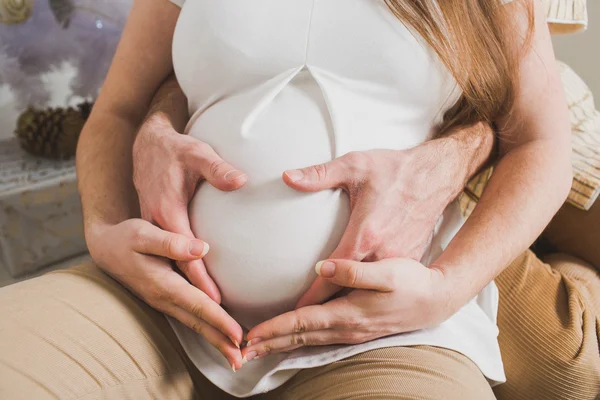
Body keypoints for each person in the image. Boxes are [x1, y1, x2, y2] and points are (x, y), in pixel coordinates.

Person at [0, 0, 598, 399]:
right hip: (160, 309)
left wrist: (443, 290)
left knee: (565, 365)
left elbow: (538, 142)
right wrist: (105, 230)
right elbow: (119, 111)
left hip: (378, 335)